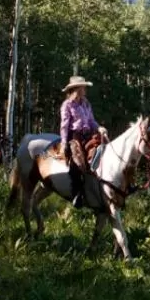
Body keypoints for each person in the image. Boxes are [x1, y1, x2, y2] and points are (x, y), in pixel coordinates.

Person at [59, 75, 108, 208]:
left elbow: (91, 121)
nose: (85, 89)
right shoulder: (67, 105)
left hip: (88, 135)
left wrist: (99, 128)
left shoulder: (86, 103)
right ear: (76, 89)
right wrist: (64, 143)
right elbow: (64, 126)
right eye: (83, 87)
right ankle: (77, 194)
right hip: (74, 137)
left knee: (105, 149)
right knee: (77, 163)